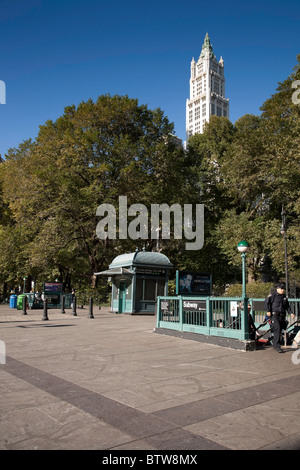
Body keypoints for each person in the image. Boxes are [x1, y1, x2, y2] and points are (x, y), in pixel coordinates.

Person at [266, 282, 291, 353]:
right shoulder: (272, 296)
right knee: (277, 328)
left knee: (280, 330)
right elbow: (266, 303)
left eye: (283, 289)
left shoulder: (284, 297)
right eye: (281, 288)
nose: (283, 290)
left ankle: (275, 344)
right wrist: (268, 311)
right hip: (274, 315)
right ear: (277, 289)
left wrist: (290, 313)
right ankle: (277, 346)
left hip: (282, 316)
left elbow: (287, 306)